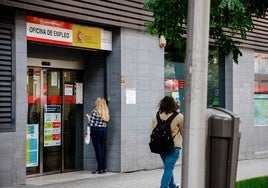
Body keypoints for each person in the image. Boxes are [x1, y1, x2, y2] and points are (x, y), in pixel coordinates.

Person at [150, 96, 184, 188]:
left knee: (168, 167)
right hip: (174, 147)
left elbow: (152, 132)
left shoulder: (156, 116)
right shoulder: (179, 116)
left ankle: (172, 185)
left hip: (161, 147)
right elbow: (184, 132)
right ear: (173, 104)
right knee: (168, 168)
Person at [86, 97, 110, 174]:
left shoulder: (95, 112)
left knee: (98, 150)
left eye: (96, 102)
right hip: (104, 130)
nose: (95, 102)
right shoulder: (105, 111)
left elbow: (91, 124)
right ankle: (104, 168)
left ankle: (99, 169)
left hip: (96, 131)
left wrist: (89, 118)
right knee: (102, 149)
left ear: (98, 103)